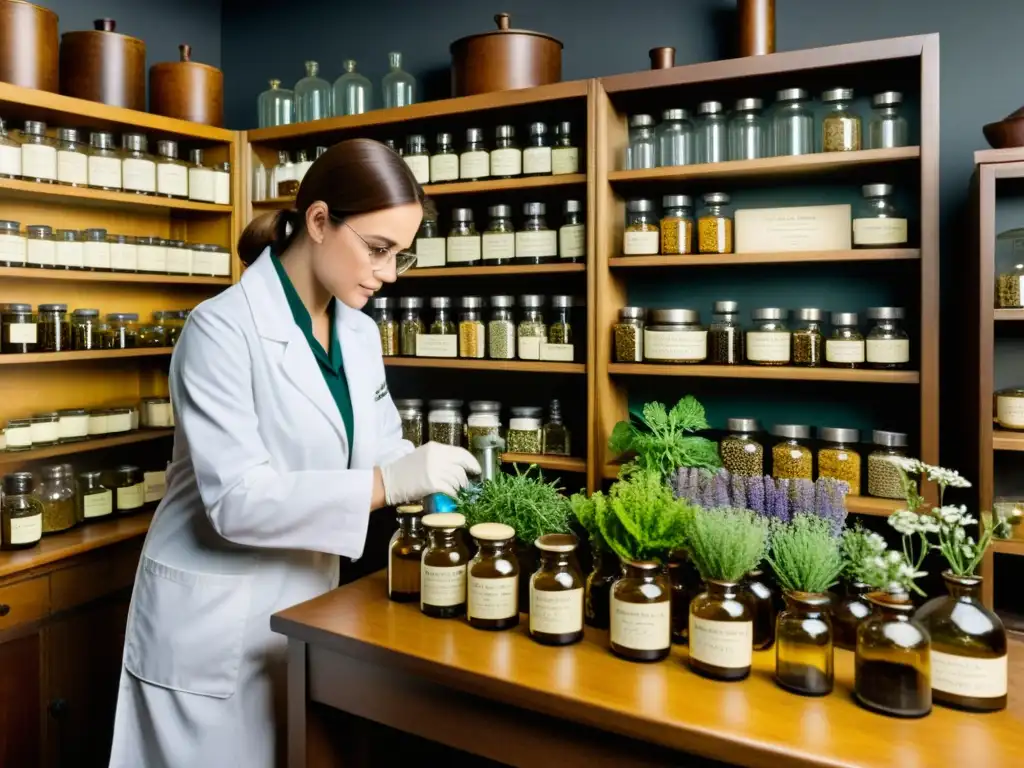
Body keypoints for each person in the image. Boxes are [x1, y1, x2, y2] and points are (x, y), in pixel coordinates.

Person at [108, 138, 480, 767]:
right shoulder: (219, 331)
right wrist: (391, 482)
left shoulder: (359, 334)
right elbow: (237, 500)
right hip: (211, 619)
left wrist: (435, 482)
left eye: (402, 256)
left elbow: (379, 445)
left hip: (307, 610)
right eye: (379, 249)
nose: (388, 274)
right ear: (318, 221)